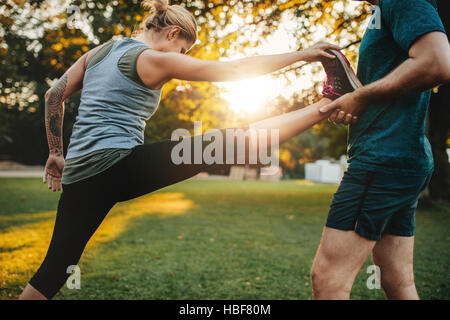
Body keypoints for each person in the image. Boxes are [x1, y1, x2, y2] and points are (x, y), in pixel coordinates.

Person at [18, 0, 358, 299]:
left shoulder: (100, 52)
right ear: (173, 34)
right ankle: (327, 104)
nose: (181, 60)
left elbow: (53, 96)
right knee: (225, 144)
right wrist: (304, 53)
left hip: (81, 174)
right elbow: (234, 70)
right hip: (115, 165)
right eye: (183, 51)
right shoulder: (152, 59)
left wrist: (56, 153)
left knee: (57, 268)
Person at [311, 0, 450, 299]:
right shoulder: (384, 10)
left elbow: (437, 62)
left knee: (328, 278)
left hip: (382, 159)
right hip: (402, 158)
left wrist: (361, 99)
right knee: (397, 280)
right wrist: (351, 95)